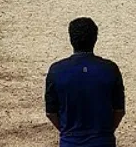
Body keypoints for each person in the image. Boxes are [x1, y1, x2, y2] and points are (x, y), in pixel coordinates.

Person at [45, 17, 126, 147]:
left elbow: (50, 112)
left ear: (71, 39)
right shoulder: (110, 69)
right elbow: (119, 110)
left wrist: (67, 132)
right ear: (95, 39)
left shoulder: (56, 70)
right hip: (103, 141)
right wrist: (105, 132)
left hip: (70, 141)